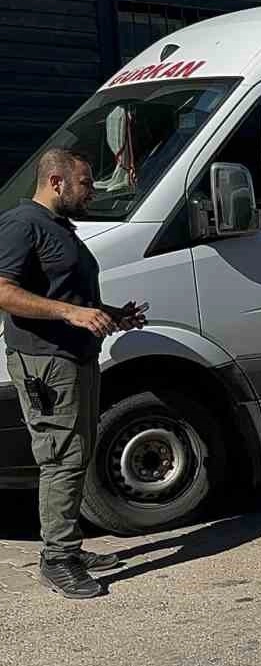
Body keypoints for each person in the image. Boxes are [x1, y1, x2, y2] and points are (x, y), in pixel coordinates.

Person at [0, 148, 146, 600]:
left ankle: (69, 547)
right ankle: (57, 560)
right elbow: (3, 290)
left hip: (75, 356)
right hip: (46, 362)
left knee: (78, 454)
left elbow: (67, 295)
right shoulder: (22, 224)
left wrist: (110, 314)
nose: (92, 191)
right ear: (56, 182)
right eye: (85, 183)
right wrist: (70, 314)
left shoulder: (59, 227)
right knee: (61, 457)